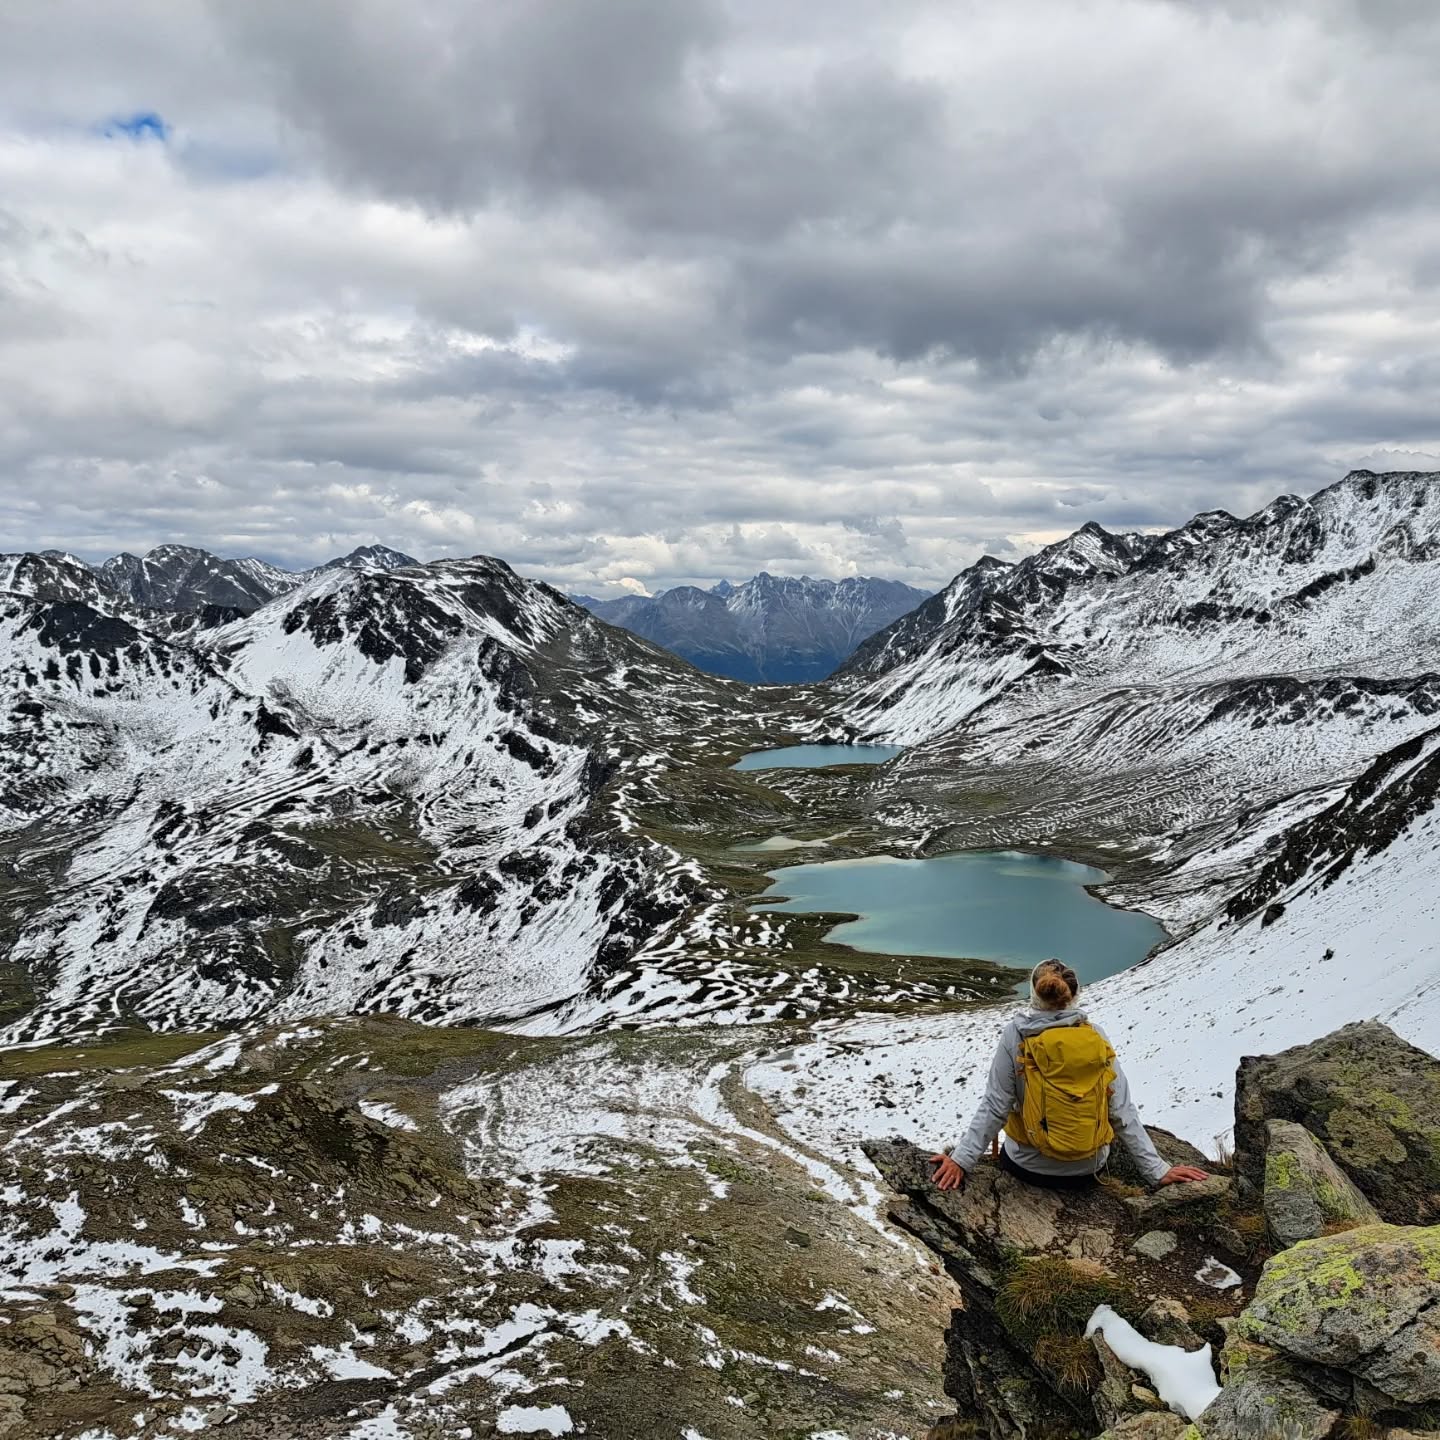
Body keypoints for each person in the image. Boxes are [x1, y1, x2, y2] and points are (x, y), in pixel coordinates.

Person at [930, 958, 1209, 1193]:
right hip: (1089, 1170)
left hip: (1029, 1168)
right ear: (1074, 996)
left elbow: (996, 1104)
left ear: (1034, 995)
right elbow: (1121, 1110)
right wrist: (1157, 1170)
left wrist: (961, 1160)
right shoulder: (1095, 1036)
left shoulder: (1015, 1035)